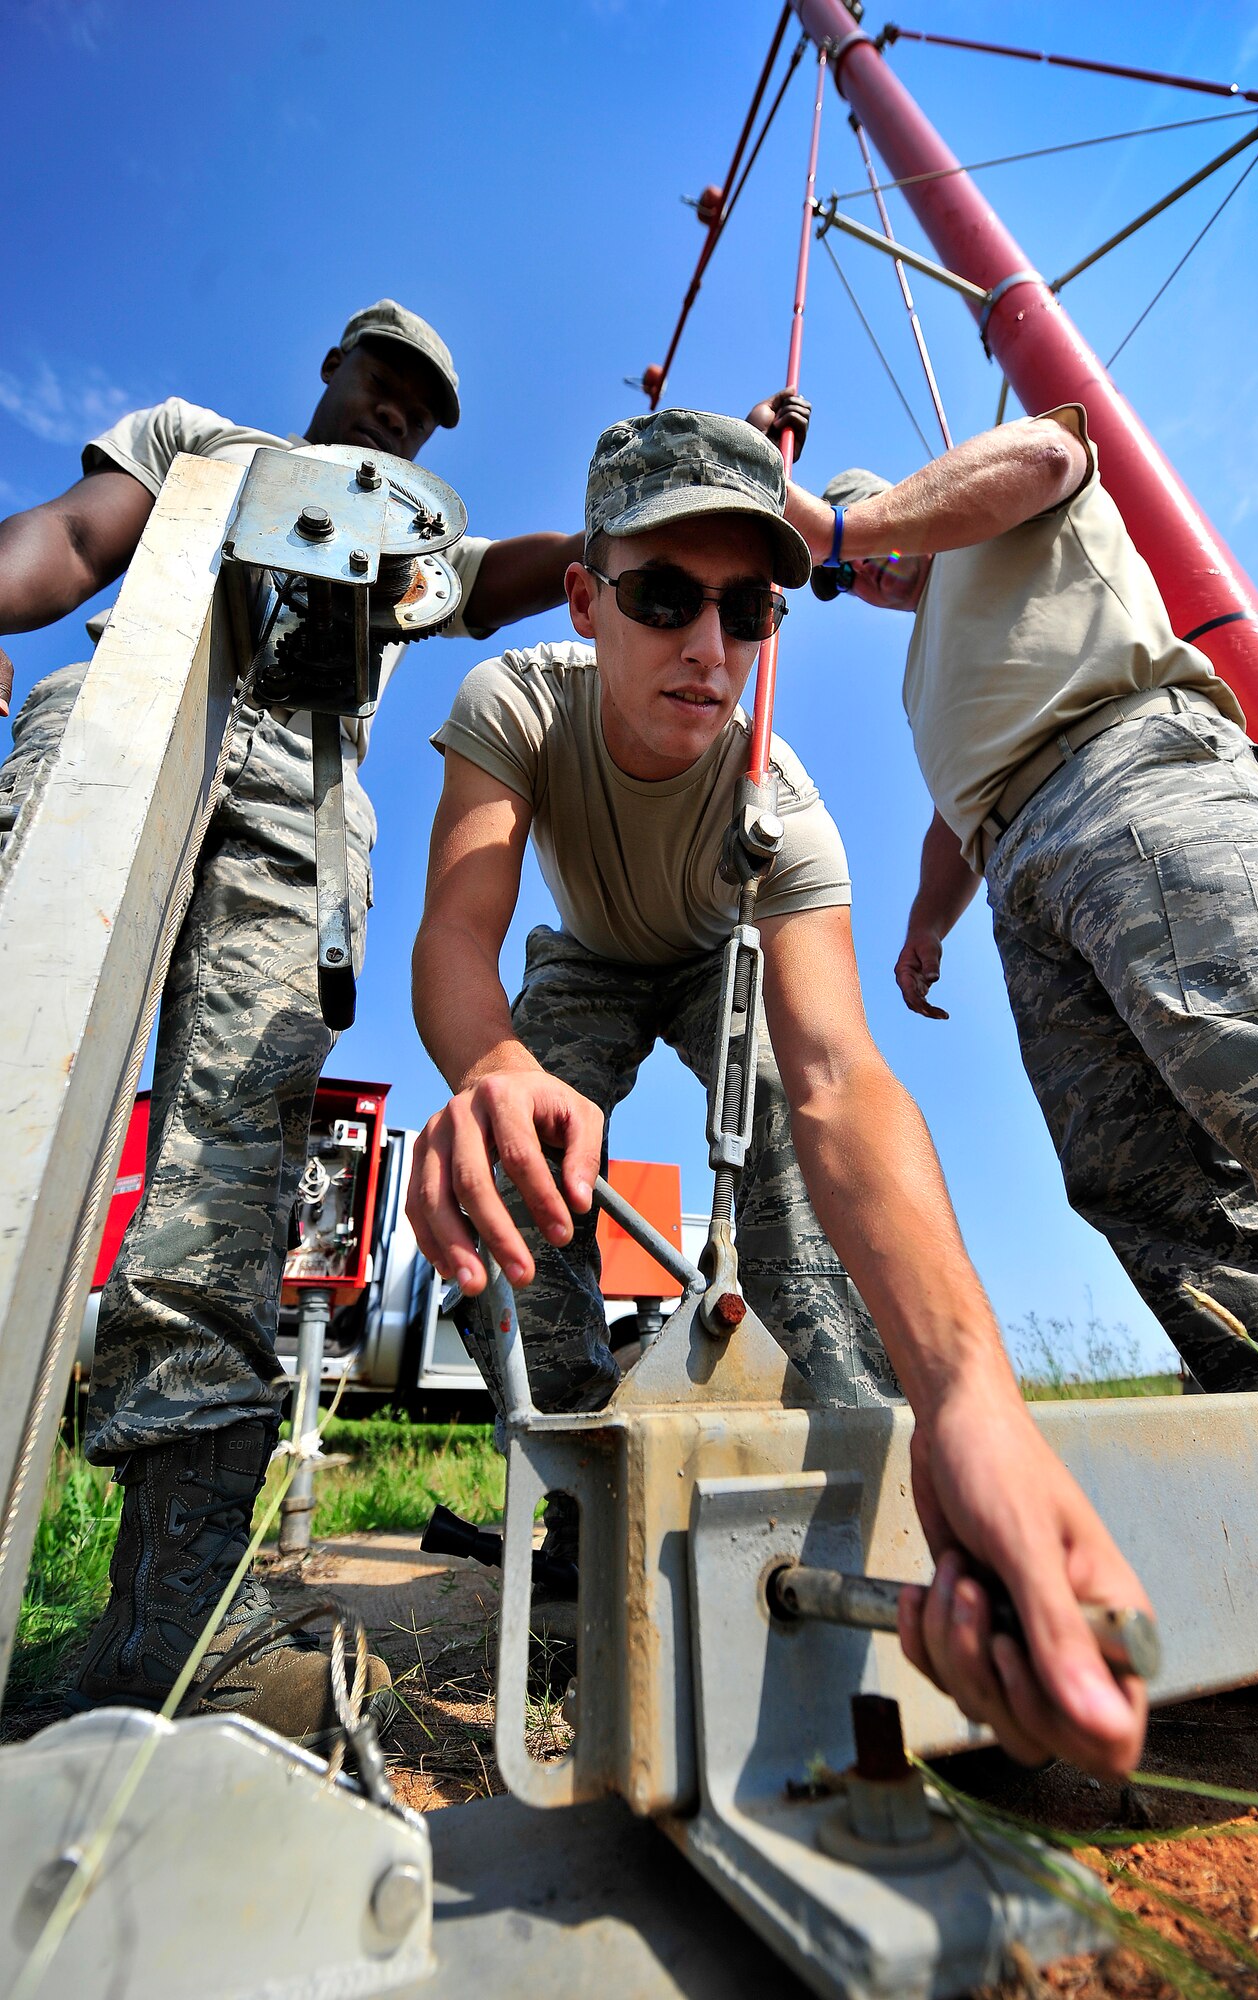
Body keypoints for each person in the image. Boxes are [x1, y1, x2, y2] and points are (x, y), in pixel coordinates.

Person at [405, 405, 1152, 1779]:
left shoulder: (785, 807)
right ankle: (578, 1511)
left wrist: (969, 1396)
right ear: (586, 597)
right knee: (512, 1161)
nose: (706, 649)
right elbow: (459, 934)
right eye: (662, 596)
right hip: (582, 963)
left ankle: (872, 1521)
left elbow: (836, 1076)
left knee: (802, 1218)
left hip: (713, 957)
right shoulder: (513, 702)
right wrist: (493, 1068)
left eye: (746, 608)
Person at [0, 301, 587, 1744]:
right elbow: (69, 547)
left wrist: (630, 542)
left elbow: (506, 580)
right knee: (19, 1073)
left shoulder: (405, 532)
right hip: (125, 713)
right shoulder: (201, 444)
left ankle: (174, 1628)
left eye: (424, 411)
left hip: (299, 809)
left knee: (226, 1170)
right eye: (385, 383)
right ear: (333, 366)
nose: (399, 414)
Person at [775, 401, 1258, 1399]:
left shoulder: (1002, 509)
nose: (859, 570)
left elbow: (1046, 449)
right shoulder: (926, 670)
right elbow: (959, 805)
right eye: (840, 574)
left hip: (1131, 777)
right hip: (1023, 869)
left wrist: (849, 522)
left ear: (914, 502)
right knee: (1137, 1179)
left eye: (868, 531)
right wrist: (925, 921)